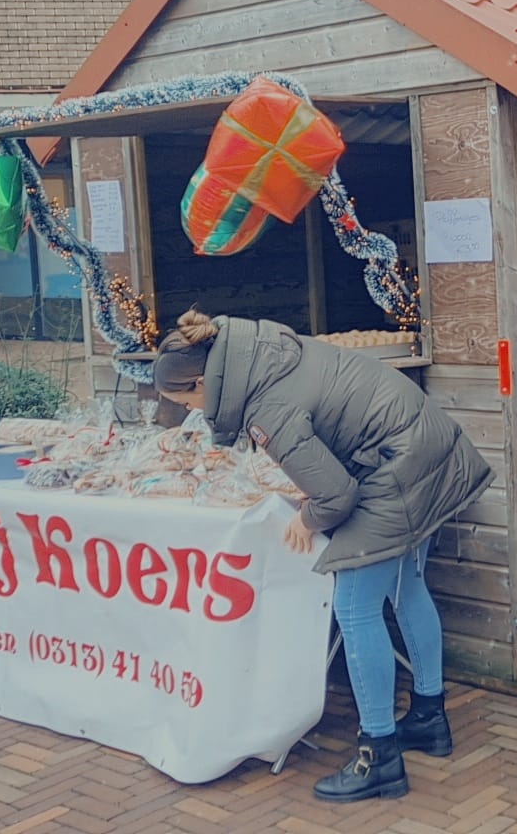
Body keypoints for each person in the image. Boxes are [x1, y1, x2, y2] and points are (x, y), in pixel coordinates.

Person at [152, 310, 493, 803]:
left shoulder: (267, 405)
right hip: (420, 447)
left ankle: (380, 757)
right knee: (406, 587)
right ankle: (428, 717)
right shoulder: (265, 352)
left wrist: (305, 519)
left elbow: (335, 497)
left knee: (354, 609)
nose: (190, 410)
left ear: (202, 381)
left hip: (396, 469)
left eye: (184, 399)